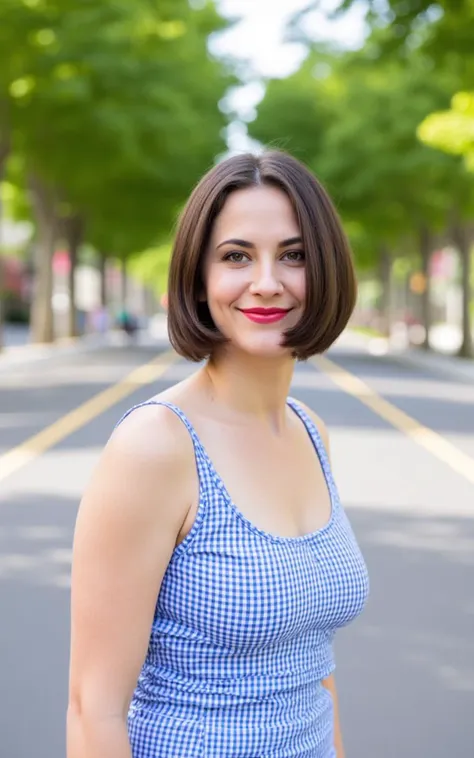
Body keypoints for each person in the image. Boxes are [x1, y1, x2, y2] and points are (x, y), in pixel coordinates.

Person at [67, 150, 369, 758]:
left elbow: (315, 668)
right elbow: (92, 708)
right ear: (200, 281)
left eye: (294, 255)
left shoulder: (311, 431)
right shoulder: (157, 445)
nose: (266, 281)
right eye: (236, 256)